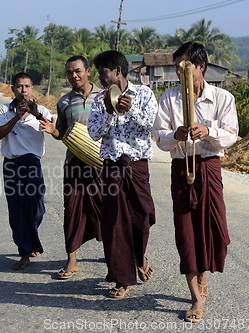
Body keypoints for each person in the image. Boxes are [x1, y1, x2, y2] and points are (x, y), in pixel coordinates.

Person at [153, 41, 238, 323]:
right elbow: (160, 137)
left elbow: (231, 134)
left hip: (209, 168)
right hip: (181, 169)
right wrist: (176, 135)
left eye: (185, 67)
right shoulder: (169, 99)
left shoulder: (223, 98)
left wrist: (209, 130)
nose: (180, 73)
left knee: (215, 229)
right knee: (186, 230)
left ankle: (203, 273)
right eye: (177, 68)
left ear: (200, 67)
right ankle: (196, 299)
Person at [88, 50, 157, 298]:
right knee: (114, 224)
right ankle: (121, 278)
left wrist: (130, 111)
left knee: (144, 216)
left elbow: (152, 124)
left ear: (118, 71)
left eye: (103, 72)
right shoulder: (98, 100)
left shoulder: (144, 94)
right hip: (112, 166)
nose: (100, 77)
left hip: (137, 165)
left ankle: (139, 256)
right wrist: (109, 110)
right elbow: (94, 134)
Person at [41, 55, 103, 280]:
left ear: (88, 72)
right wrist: (52, 130)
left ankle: (112, 252)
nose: (73, 76)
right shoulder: (64, 102)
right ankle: (72, 260)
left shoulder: (104, 97)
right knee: (73, 211)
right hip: (75, 164)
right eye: (69, 73)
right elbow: (62, 133)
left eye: (77, 71)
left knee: (107, 210)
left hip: (102, 164)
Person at [0, 72, 52, 270]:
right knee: (17, 210)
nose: (23, 90)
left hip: (32, 163)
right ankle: (25, 251)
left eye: (27, 86)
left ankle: (30, 236)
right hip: (12, 164)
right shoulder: (3, 110)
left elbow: (53, 128)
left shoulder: (41, 110)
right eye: (19, 86)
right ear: (13, 89)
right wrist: (16, 117)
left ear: (32, 88)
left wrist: (36, 114)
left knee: (37, 207)